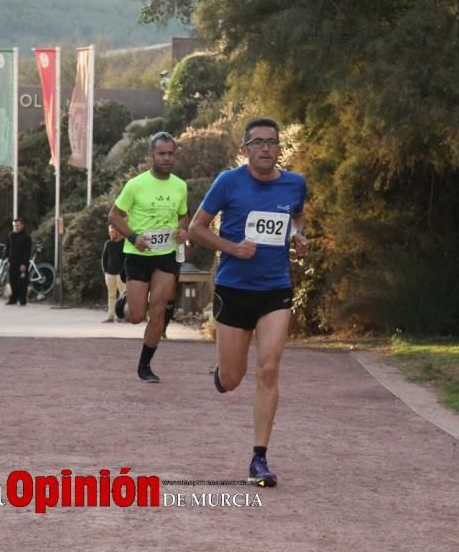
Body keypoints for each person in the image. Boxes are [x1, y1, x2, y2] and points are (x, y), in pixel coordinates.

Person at [187, 117, 309, 487]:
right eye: (258, 143)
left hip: (275, 289)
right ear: (245, 150)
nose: (266, 148)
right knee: (233, 377)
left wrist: (300, 237)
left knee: (269, 369)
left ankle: (259, 458)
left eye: (272, 142)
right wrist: (232, 248)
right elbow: (196, 229)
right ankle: (222, 376)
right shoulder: (229, 182)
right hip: (234, 288)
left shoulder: (295, 183)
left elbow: (297, 218)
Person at [108, 132, 189, 383]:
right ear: (150, 156)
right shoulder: (135, 185)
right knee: (135, 316)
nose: (167, 158)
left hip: (166, 255)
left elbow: (184, 216)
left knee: (159, 311)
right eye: (161, 154)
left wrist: (182, 230)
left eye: (170, 154)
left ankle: (145, 367)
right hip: (138, 255)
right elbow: (114, 216)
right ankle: (127, 300)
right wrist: (133, 238)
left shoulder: (180, 185)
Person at [100, 224, 127, 323]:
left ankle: (121, 316)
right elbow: (104, 259)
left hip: (121, 275)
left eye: (113, 230)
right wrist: (106, 271)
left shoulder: (125, 243)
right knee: (111, 296)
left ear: (119, 232)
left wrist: (123, 272)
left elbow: (126, 259)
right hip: (110, 274)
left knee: (123, 296)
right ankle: (110, 316)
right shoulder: (108, 244)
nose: (110, 232)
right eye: (110, 231)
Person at [5, 217, 32, 306]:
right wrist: (6, 259)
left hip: (21, 262)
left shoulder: (26, 237)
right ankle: (13, 299)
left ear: (22, 225)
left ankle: (22, 300)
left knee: (22, 282)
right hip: (12, 261)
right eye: (14, 225)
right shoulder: (10, 235)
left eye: (18, 225)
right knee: (12, 281)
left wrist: (24, 263)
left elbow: (27, 251)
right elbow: (8, 248)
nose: (16, 227)